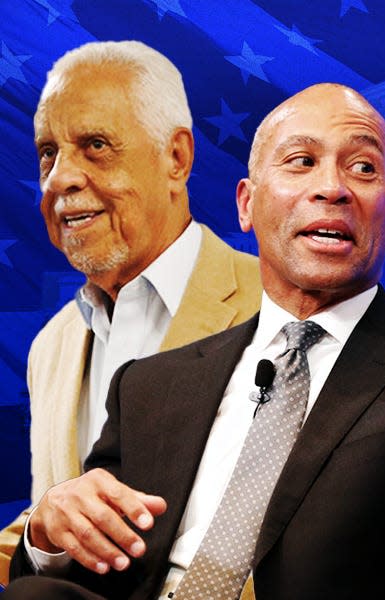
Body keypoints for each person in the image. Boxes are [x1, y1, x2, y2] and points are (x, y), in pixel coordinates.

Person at [4, 83, 385, 599]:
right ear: (246, 204)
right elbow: (86, 568)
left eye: (363, 168)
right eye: (300, 162)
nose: (332, 188)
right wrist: (47, 532)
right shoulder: (151, 385)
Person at [0, 41, 262, 582]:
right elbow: (58, 527)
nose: (58, 179)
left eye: (95, 145)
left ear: (177, 158)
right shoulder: (52, 345)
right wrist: (41, 532)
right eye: (48, 152)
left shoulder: (279, 307)